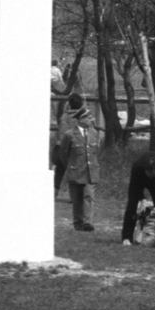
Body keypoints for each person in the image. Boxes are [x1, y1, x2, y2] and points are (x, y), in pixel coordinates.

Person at [56, 94, 101, 232]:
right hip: (76, 170)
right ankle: (78, 222)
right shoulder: (70, 135)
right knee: (77, 199)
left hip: (90, 171)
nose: (92, 120)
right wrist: (71, 165)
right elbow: (63, 154)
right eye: (89, 118)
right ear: (81, 119)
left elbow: (96, 151)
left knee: (89, 196)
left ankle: (88, 222)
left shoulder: (94, 133)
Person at [120, 149, 155, 245]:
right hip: (138, 181)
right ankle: (127, 237)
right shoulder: (137, 166)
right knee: (132, 206)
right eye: (148, 173)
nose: (150, 176)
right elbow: (135, 185)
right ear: (145, 170)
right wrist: (142, 199)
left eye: (152, 174)